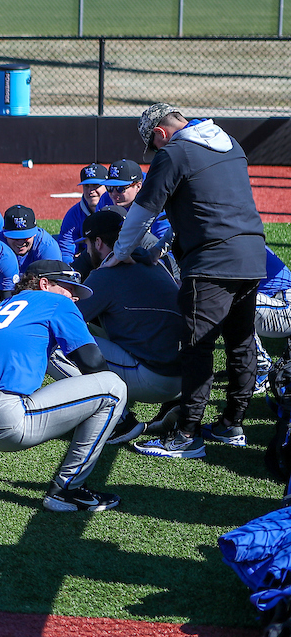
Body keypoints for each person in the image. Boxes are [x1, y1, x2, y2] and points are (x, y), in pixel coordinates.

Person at [122, 104, 267, 459]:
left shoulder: (174, 152)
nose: (155, 154)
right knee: (241, 341)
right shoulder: (230, 143)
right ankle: (232, 423)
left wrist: (120, 252)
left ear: (160, 134)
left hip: (212, 261)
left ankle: (187, 433)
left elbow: (144, 209)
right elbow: (210, 205)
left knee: (197, 346)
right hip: (252, 254)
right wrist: (166, 242)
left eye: (153, 147)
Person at [0, 260, 128, 512]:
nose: (74, 297)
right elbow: (93, 363)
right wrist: (84, 410)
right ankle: (66, 489)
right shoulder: (56, 302)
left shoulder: (0, 307)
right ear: (44, 284)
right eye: (68, 288)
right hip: (3, 423)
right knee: (113, 387)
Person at [76, 209, 182, 445]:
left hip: (155, 379)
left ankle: (121, 421)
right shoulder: (154, 262)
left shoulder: (105, 274)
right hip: (186, 378)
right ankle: (176, 405)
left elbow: (68, 320)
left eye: (87, 244)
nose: (86, 251)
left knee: (62, 343)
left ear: (99, 242)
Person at [100, 159, 172, 242]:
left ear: (138, 186)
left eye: (120, 188)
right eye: (109, 187)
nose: (114, 193)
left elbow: (165, 241)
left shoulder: (153, 200)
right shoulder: (105, 198)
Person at [56, 164, 107, 262]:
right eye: (86, 186)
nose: (90, 191)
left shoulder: (115, 208)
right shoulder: (73, 214)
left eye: (96, 186)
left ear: (107, 186)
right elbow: (66, 250)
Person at [255, 248, 291, 383]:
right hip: (277, 303)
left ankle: (262, 369)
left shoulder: (229, 241)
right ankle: (245, 365)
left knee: (230, 302)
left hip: (286, 304)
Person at [0, 205, 62, 271]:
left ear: (35, 233)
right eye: (15, 238)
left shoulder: (47, 245)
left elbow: (53, 278)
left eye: (25, 237)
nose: (20, 242)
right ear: (4, 234)